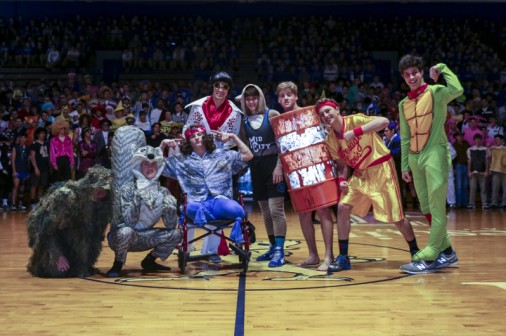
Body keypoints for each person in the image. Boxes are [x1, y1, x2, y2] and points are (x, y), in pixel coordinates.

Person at [315, 98, 419, 273]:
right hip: (361, 173)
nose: (326, 116)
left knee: (396, 217)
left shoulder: (354, 120)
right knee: (342, 206)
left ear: (337, 110)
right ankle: (343, 258)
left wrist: (356, 132)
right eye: (322, 114)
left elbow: (384, 121)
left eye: (328, 111)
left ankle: (416, 252)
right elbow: (342, 167)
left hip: (382, 168)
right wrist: (342, 181)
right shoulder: (331, 140)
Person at [397, 55, 463, 274]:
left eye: (414, 72)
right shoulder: (403, 104)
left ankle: (432, 253)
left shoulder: (436, 92)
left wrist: (442, 68)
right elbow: (405, 137)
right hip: (415, 158)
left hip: (435, 152)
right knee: (425, 207)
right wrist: (405, 165)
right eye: (407, 75)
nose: (411, 77)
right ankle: (448, 252)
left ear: (422, 72)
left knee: (436, 207)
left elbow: (457, 89)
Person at [160, 125, 253, 263]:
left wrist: (233, 137)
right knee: (192, 208)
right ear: (188, 141)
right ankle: (206, 244)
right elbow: (157, 165)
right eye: (192, 136)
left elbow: (248, 155)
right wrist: (163, 145)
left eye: (199, 134)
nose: (197, 138)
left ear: (206, 136)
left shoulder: (221, 154)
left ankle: (211, 249)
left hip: (219, 199)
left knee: (237, 210)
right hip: (195, 201)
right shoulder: (181, 160)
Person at [276, 81, 335, 271]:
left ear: (296, 96)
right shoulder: (279, 122)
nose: (285, 98)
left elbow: (328, 128)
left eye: (289, 95)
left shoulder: (312, 113)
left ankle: (329, 256)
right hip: (295, 174)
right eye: (282, 95)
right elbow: (281, 148)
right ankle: (313, 255)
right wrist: (279, 166)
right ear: (278, 99)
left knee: (324, 211)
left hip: (316, 169)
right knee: (303, 214)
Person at [106, 145, 182, 277]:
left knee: (177, 234)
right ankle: (117, 264)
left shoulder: (163, 192)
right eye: (146, 164)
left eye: (153, 164)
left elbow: (170, 226)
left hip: (146, 237)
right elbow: (129, 223)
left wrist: (170, 209)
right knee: (126, 231)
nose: (150, 167)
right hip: (122, 237)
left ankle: (149, 261)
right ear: (138, 166)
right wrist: (138, 198)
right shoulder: (128, 189)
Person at [26, 166, 112, 278]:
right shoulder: (66, 198)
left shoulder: (102, 208)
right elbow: (44, 232)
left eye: (105, 190)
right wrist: (57, 256)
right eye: (98, 187)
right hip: (53, 241)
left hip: (74, 245)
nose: (100, 192)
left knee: (81, 270)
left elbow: (95, 238)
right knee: (56, 272)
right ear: (89, 185)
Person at [238, 83, 287, 267]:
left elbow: (283, 141)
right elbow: (244, 147)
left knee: (276, 211)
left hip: (273, 165)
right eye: (247, 98)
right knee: (266, 212)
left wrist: (279, 167)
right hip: (256, 167)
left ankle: (280, 252)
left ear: (260, 98)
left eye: (254, 98)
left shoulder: (272, 114)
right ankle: (273, 247)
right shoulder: (243, 121)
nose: (251, 102)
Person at [183, 71, 243, 150]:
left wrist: (226, 139)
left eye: (225, 87)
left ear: (229, 90)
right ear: (212, 87)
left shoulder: (235, 113)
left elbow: (235, 139)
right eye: (217, 85)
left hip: (222, 156)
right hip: (199, 153)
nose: (221, 90)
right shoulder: (198, 107)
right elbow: (188, 129)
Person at [466, 133, 490, 209]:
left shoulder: (485, 149)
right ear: (474, 140)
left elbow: (487, 160)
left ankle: (484, 203)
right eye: (476, 139)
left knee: (483, 188)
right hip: (473, 172)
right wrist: (469, 171)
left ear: (481, 140)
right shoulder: (470, 149)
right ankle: (471, 203)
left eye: (479, 139)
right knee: (472, 188)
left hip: (482, 172)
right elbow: (469, 161)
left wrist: (487, 171)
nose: (478, 141)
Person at [29, 127, 50, 209]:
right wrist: (35, 168)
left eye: (44, 133)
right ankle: (32, 202)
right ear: (37, 134)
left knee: (42, 185)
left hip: (45, 168)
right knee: (34, 185)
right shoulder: (34, 144)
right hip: (37, 168)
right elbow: (32, 157)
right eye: (41, 133)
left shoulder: (46, 143)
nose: (43, 135)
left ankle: (40, 201)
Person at [11, 131, 30, 211]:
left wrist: (28, 172)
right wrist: (14, 171)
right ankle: (13, 204)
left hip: (24, 170)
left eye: (24, 138)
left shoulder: (28, 148)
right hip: (17, 170)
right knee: (16, 186)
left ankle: (20, 204)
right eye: (21, 137)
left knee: (22, 187)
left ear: (26, 139)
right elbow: (13, 160)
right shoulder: (15, 147)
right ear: (19, 139)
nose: (23, 139)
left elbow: (29, 160)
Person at [489, 134, 506, 208]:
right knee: (495, 187)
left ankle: (504, 202)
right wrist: (489, 149)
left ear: (502, 140)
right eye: (495, 140)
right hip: (496, 170)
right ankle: (494, 202)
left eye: (498, 140)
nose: (496, 141)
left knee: (505, 188)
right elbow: (489, 157)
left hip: (505, 171)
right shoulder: (493, 149)